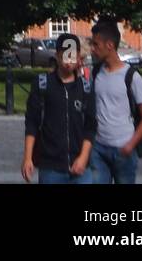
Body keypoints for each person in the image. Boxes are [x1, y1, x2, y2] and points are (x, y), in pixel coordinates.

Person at [22, 34, 96, 184]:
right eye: (65, 55)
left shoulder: (85, 87)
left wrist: (83, 157)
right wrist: (28, 157)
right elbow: (32, 123)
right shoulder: (43, 84)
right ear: (57, 56)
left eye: (72, 56)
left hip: (80, 165)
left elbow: (90, 126)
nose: (69, 61)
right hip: (51, 166)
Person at [88, 17, 142, 184]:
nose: (92, 49)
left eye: (96, 45)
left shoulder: (131, 77)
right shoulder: (96, 73)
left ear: (109, 45)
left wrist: (131, 145)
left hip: (124, 148)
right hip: (98, 148)